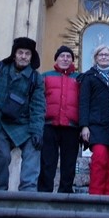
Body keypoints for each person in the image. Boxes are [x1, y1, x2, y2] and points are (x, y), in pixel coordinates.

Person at [0, 37, 45, 191]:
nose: (23, 56)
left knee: (33, 149)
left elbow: (38, 107)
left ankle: (28, 190)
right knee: (2, 157)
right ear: (14, 54)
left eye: (27, 54)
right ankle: (0, 191)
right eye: (20, 52)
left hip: (23, 123)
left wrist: (37, 132)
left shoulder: (36, 79)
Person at [78, 44, 109, 195]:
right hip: (96, 125)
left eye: (107, 55)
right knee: (99, 159)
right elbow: (84, 102)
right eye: (101, 55)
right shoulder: (89, 77)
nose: (104, 57)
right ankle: (96, 196)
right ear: (95, 58)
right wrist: (84, 126)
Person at [38, 46, 82, 193]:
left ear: (72, 60)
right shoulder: (45, 76)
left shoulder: (79, 78)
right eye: (62, 56)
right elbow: (39, 99)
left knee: (69, 163)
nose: (65, 59)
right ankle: (45, 192)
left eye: (68, 56)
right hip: (49, 125)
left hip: (71, 126)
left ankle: (65, 192)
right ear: (56, 59)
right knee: (47, 162)